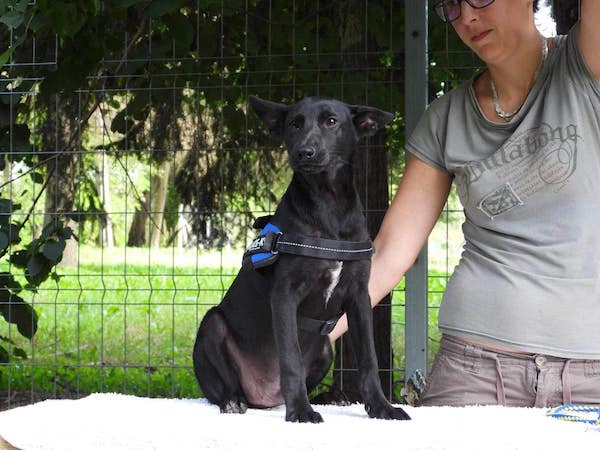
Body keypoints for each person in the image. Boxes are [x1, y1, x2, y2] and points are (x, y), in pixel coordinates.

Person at [330, 0, 600, 407]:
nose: (468, 17)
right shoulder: (445, 119)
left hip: (592, 373)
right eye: (452, 6)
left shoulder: (586, 62)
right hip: (473, 370)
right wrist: (303, 342)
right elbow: (387, 256)